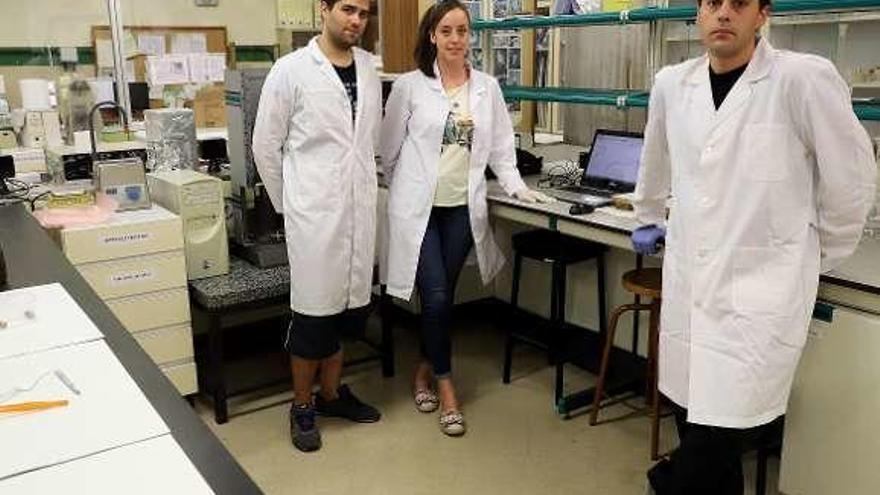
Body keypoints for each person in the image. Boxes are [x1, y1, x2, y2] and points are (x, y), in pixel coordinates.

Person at [631, 0, 877, 492]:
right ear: (699, 14)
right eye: (712, 4)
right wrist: (648, 215)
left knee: (709, 449)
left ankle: (668, 481)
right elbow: (654, 161)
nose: (724, 14)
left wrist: (811, 253)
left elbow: (851, 180)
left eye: (738, 4)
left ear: (761, 14)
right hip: (691, 293)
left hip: (759, 301)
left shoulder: (801, 79)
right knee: (704, 441)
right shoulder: (672, 85)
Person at [381, 0, 554, 437]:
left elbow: (500, 149)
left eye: (462, 30)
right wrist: (405, 186)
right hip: (418, 212)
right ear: (432, 36)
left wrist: (518, 188)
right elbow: (387, 149)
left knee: (443, 299)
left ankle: (423, 370)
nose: (456, 39)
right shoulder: (409, 86)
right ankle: (446, 387)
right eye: (447, 31)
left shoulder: (487, 88)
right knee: (436, 297)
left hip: (462, 208)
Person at [252, 0, 382, 453]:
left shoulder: (369, 68)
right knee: (312, 317)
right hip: (314, 213)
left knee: (345, 313)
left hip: (358, 210)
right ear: (323, 8)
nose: (356, 20)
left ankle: (331, 396)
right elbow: (264, 146)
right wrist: (292, 204)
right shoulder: (290, 70)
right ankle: (302, 405)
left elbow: (368, 140)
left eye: (364, 13)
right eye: (347, 9)